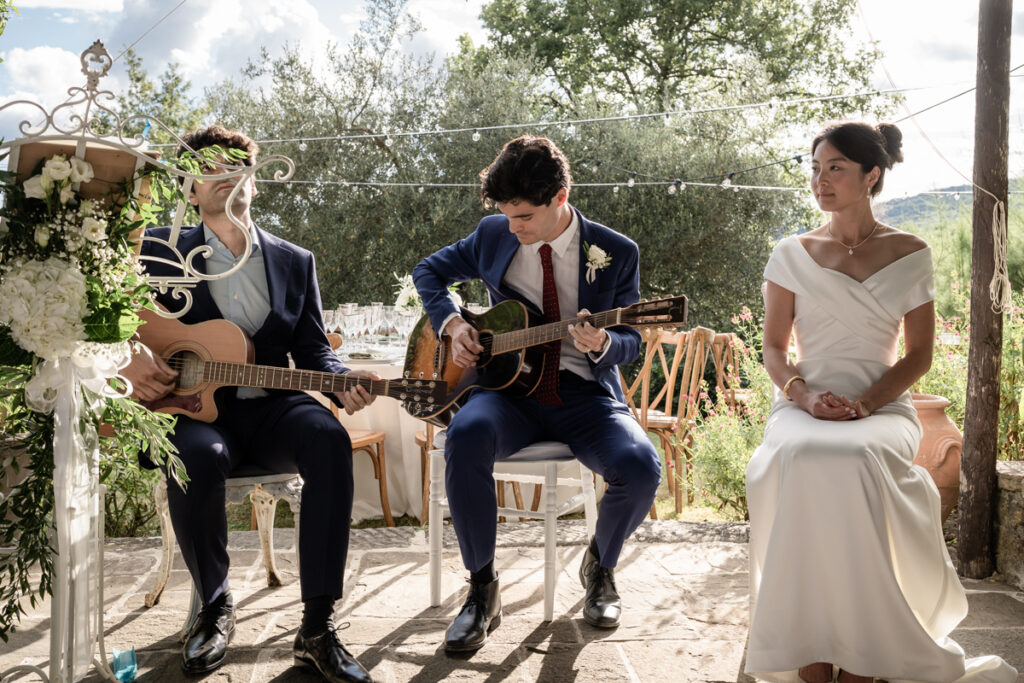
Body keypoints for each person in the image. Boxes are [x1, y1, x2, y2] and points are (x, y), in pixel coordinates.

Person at [744, 121, 1017, 683]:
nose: (820, 180)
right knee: (804, 456)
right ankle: (810, 654)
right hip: (801, 405)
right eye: (815, 168)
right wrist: (802, 396)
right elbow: (773, 346)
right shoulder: (790, 254)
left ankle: (868, 655)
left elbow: (918, 357)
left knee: (853, 459)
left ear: (871, 175)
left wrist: (867, 405)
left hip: (883, 409)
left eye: (835, 168)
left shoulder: (910, 252)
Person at [125, 125, 376, 683]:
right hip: (190, 409)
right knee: (195, 457)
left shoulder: (294, 260)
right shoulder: (160, 256)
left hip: (274, 407)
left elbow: (312, 348)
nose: (227, 176)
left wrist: (340, 379)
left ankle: (317, 624)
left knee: (328, 438)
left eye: (238, 165)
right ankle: (214, 607)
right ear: (190, 190)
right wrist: (134, 358)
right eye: (211, 168)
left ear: (254, 183)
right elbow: (125, 331)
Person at [413, 135, 661, 651]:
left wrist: (602, 343)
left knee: (640, 466)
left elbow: (631, 341)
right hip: (506, 393)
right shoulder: (493, 235)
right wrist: (454, 323)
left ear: (560, 198)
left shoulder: (615, 253)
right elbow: (429, 272)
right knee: (465, 433)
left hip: (583, 395)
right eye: (506, 214)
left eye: (523, 216)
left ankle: (600, 566)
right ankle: (482, 590)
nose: (513, 227)